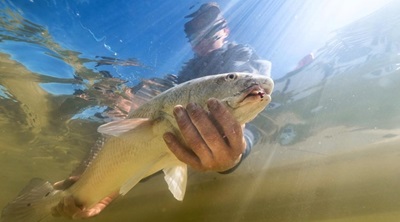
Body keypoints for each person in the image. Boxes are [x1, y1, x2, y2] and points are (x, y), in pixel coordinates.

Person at [51, 2, 271, 219]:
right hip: (161, 144)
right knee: (126, 104)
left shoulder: (241, 60)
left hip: (205, 166)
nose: (203, 37)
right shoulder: (182, 77)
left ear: (225, 30)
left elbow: (250, 122)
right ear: (191, 43)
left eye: (211, 29)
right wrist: (104, 195)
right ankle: (67, 191)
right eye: (195, 34)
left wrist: (238, 153)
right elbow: (141, 151)